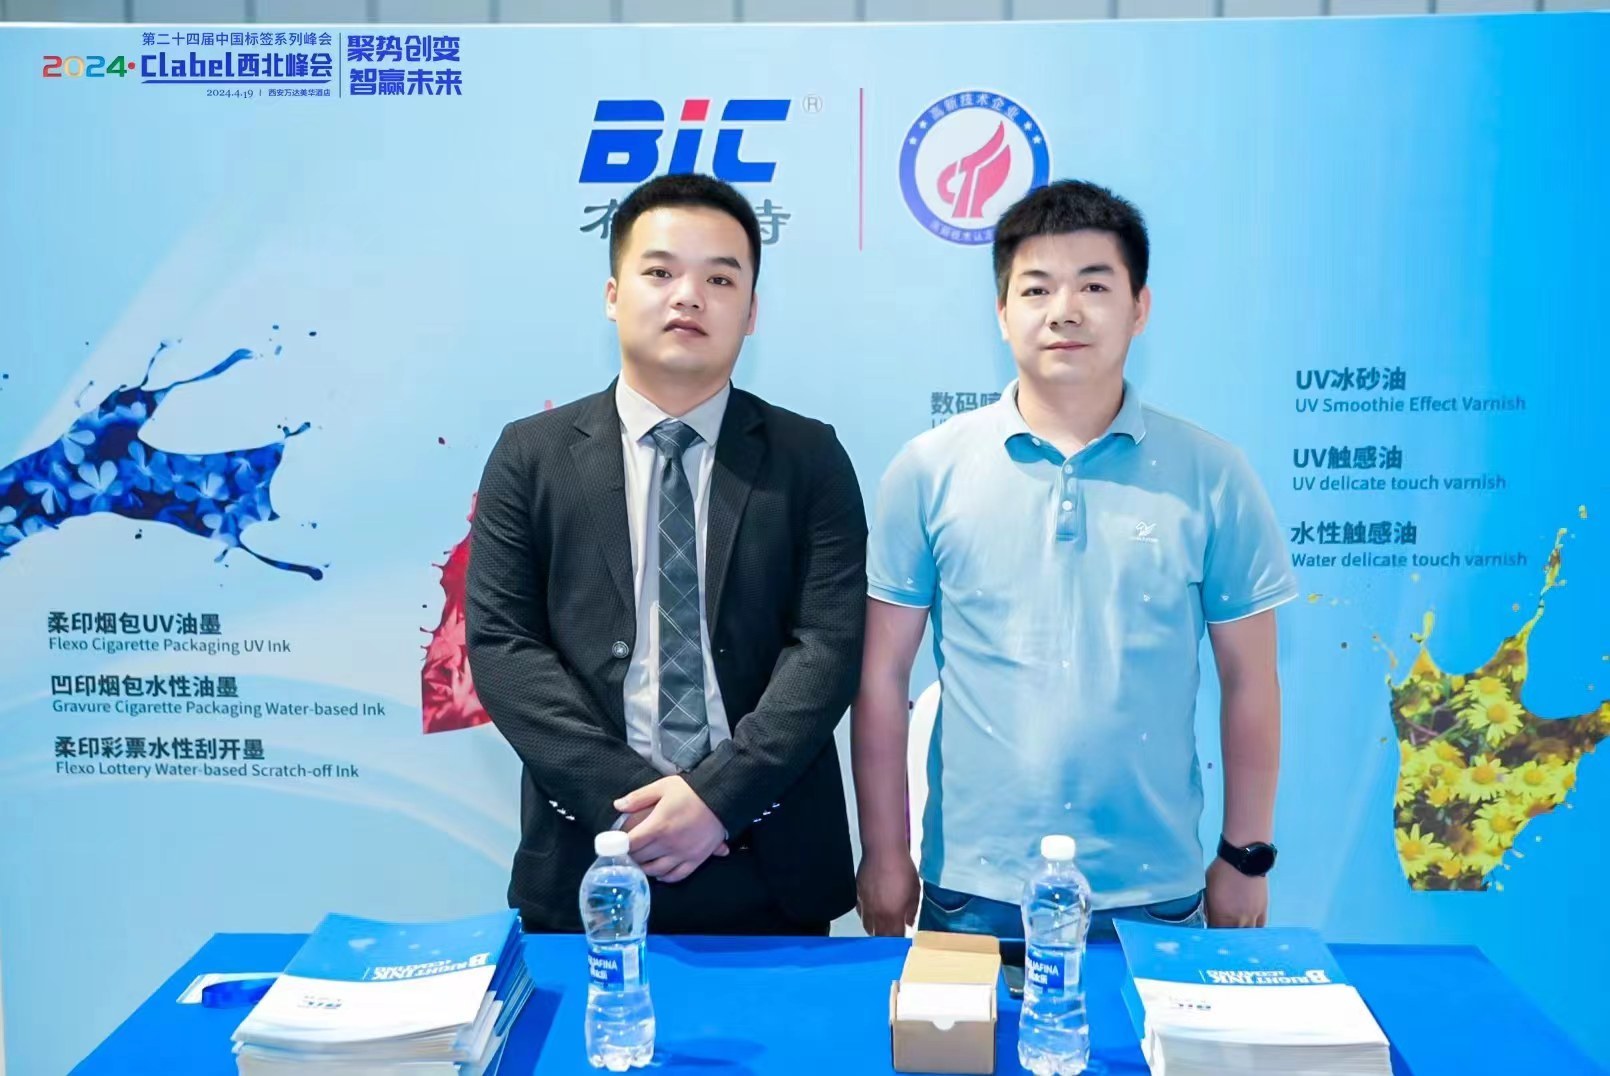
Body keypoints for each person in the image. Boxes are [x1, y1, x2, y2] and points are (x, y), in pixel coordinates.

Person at [852, 179, 1297, 949]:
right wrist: (886, 851)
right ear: (1001, 312)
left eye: (1094, 285)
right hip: (972, 889)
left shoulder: (1211, 473)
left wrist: (1245, 855)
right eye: (1037, 288)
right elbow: (882, 678)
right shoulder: (928, 469)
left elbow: (1251, 679)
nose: (1065, 310)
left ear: (1139, 308)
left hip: (1155, 889)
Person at [466, 173, 866, 935]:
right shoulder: (531, 455)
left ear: (751, 312)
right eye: (660, 272)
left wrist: (717, 799)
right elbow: (504, 647)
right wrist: (637, 807)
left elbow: (828, 646)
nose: (689, 297)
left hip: (769, 860)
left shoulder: (809, 457)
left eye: (720, 279)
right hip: (591, 859)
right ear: (613, 295)